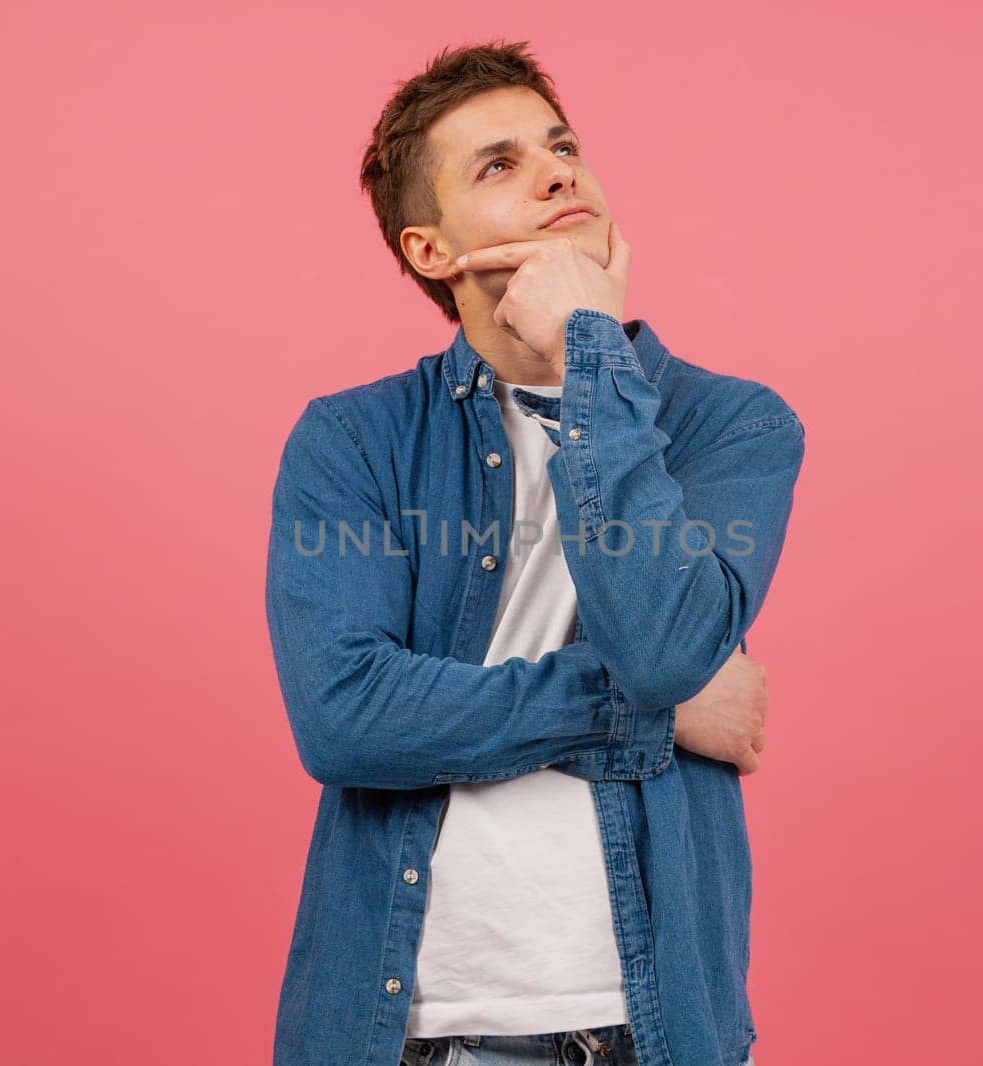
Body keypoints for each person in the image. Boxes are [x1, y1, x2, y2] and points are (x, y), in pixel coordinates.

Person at [265, 39, 804, 1066]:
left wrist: (590, 357)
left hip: (646, 1030)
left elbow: (661, 644)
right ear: (430, 252)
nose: (560, 171)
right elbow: (344, 716)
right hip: (413, 1034)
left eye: (562, 147)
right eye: (498, 164)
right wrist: (656, 712)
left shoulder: (732, 426)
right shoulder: (354, 439)